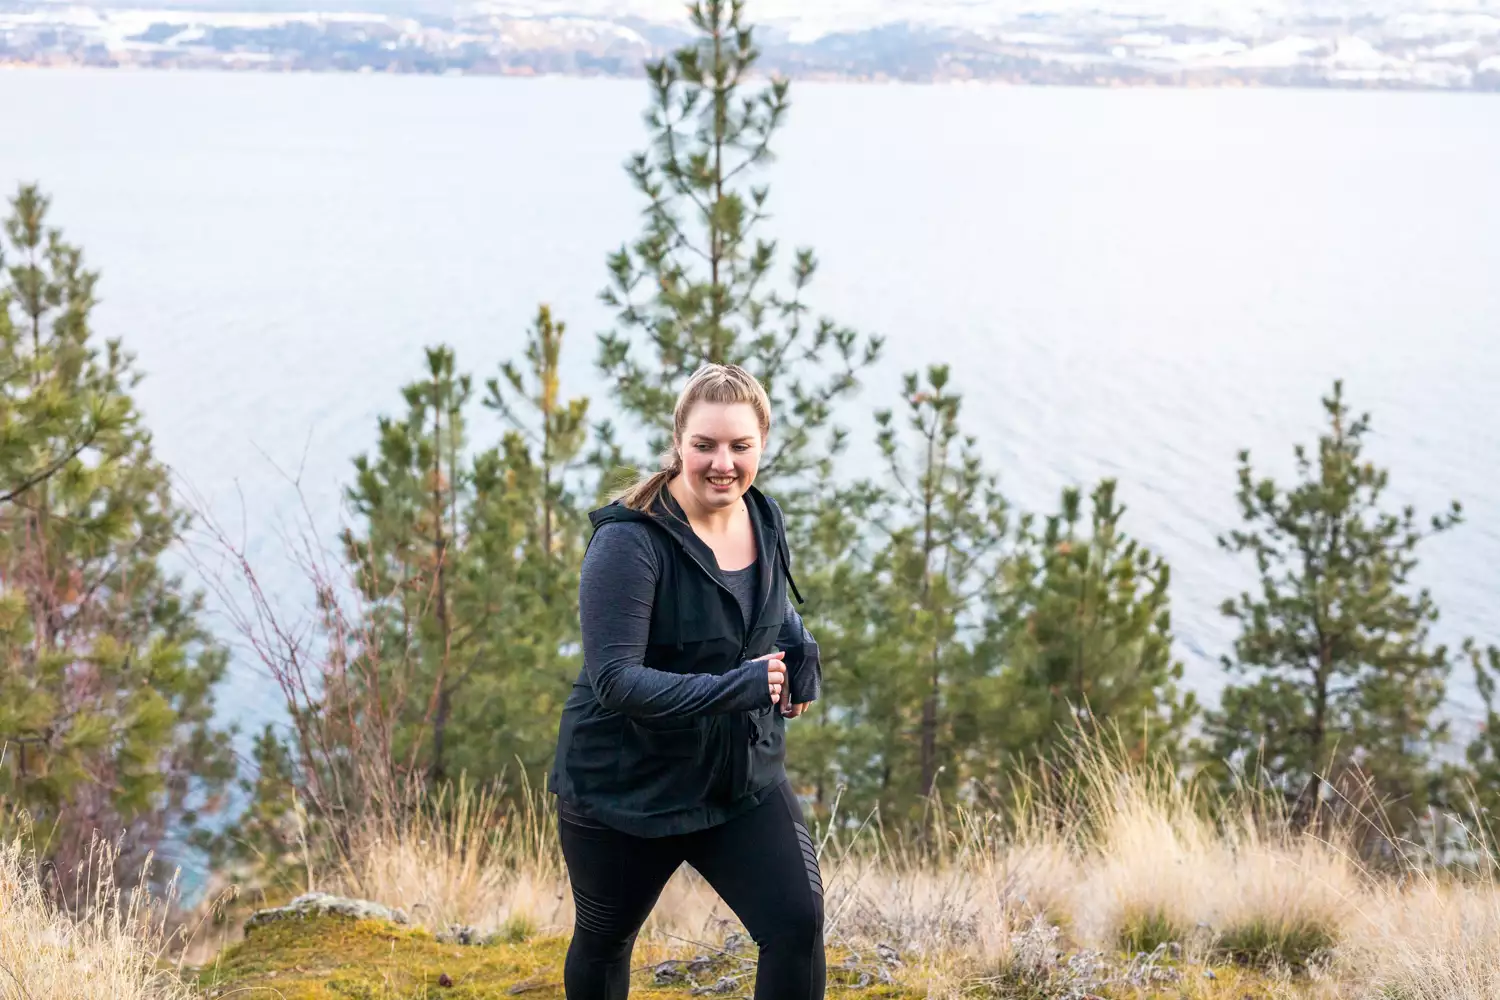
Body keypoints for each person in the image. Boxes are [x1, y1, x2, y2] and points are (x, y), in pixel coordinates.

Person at [547, 362, 825, 1000]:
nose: (723, 463)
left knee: (796, 924)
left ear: (762, 444)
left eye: (740, 446)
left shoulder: (762, 516)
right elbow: (616, 681)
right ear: (678, 443)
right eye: (705, 445)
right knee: (606, 942)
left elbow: (759, 602)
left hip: (737, 778)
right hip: (628, 788)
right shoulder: (630, 543)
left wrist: (799, 646)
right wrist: (740, 687)